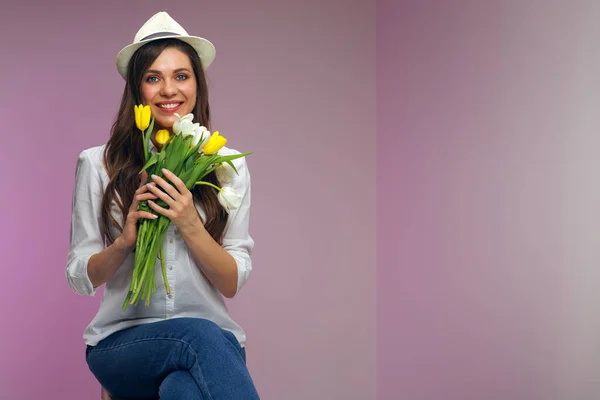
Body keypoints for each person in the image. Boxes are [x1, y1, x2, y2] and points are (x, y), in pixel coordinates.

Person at [65, 11, 259, 400]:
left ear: (197, 85)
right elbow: (79, 275)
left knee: (182, 390)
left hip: (209, 346)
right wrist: (124, 243)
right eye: (153, 78)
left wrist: (189, 223)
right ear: (137, 90)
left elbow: (231, 282)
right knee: (199, 335)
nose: (169, 90)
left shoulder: (228, 165)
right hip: (122, 346)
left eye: (181, 76)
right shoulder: (98, 164)